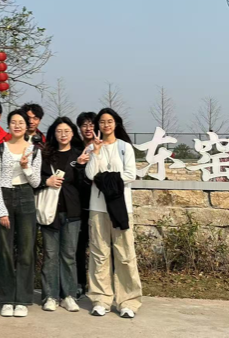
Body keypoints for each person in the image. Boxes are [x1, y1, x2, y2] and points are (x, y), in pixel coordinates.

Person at [85, 108, 142, 318]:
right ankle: (101, 299)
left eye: (109, 121)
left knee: (125, 254)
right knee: (99, 254)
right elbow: (90, 174)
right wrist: (96, 153)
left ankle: (128, 301)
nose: (106, 125)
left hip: (120, 208)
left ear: (116, 123)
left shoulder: (125, 147)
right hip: (98, 207)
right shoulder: (92, 147)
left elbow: (130, 174)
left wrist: (105, 180)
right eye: (102, 122)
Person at [0, 109, 41, 318]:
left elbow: (36, 182)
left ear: (27, 125)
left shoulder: (34, 150)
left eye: (21, 122)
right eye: (13, 122)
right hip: (5, 196)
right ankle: (7, 298)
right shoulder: (0, 149)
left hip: (26, 197)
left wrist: (26, 167)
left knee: (26, 250)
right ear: (9, 125)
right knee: (5, 251)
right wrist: (1, 210)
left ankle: (22, 299)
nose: (17, 125)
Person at [39, 117, 87, 313]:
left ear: (73, 133)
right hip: (50, 211)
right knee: (50, 255)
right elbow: (36, 179)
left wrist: (81, 166)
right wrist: (47, 181)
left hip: (72, 211)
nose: (63, 134)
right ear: (54, 133)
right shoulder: (46, 155)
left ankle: (69, 295)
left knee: (69, 256)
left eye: (66, 131)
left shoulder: (78, 155)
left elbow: (84, 185)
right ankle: (50, 296)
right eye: (59, 131)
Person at [75, 111, 96, 298]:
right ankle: (80, 283)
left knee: (99, 247)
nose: (88, 128)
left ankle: (99, 284)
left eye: (91, 124)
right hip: (79, 204)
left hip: (98, 203)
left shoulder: (102, 146)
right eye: (84, 125)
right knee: (79, 246)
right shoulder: (75, 147)